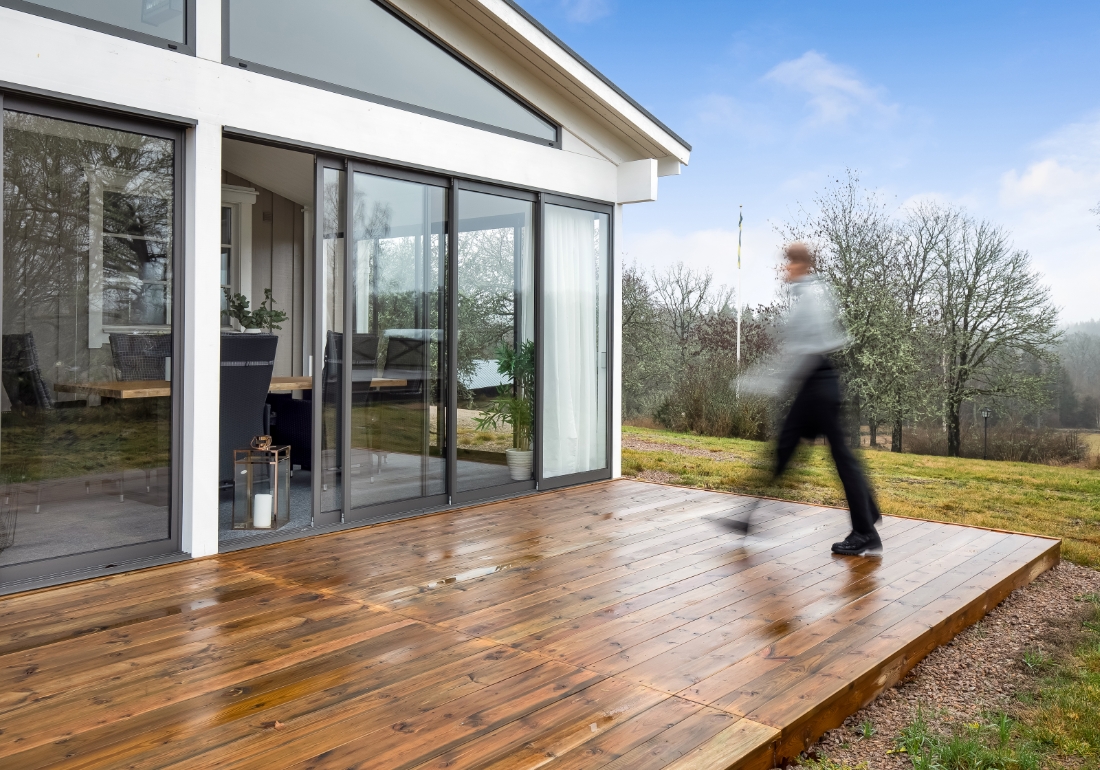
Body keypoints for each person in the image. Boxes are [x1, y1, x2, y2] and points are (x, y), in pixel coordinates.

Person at [728, 242, 882, 556]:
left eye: (788, 263)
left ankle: (865, 530)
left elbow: (799, 354)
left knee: (827, 455)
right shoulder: (812, 293)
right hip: (817, 384)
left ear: (800, 265)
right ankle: (867, 517)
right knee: (800, 453)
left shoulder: (809, 298)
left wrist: (757, 381)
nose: (784, 268)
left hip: (817, 385)